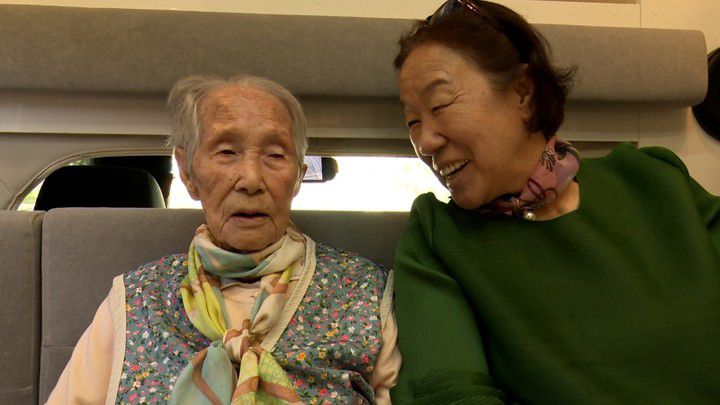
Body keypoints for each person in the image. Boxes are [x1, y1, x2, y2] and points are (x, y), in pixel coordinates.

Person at [391, 1, 720, 403]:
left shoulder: (652, 179)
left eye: (440, 105)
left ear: (522, 93)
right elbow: (453, 395)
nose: (424, 143)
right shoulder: (438, 238)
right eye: (412, 122)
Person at [47, 75, 400, 404]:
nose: (251, 180)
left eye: (275, 155)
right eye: (227, 152)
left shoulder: (365, 293)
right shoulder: (136, 299)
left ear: (297, 177)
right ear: (187, 172)